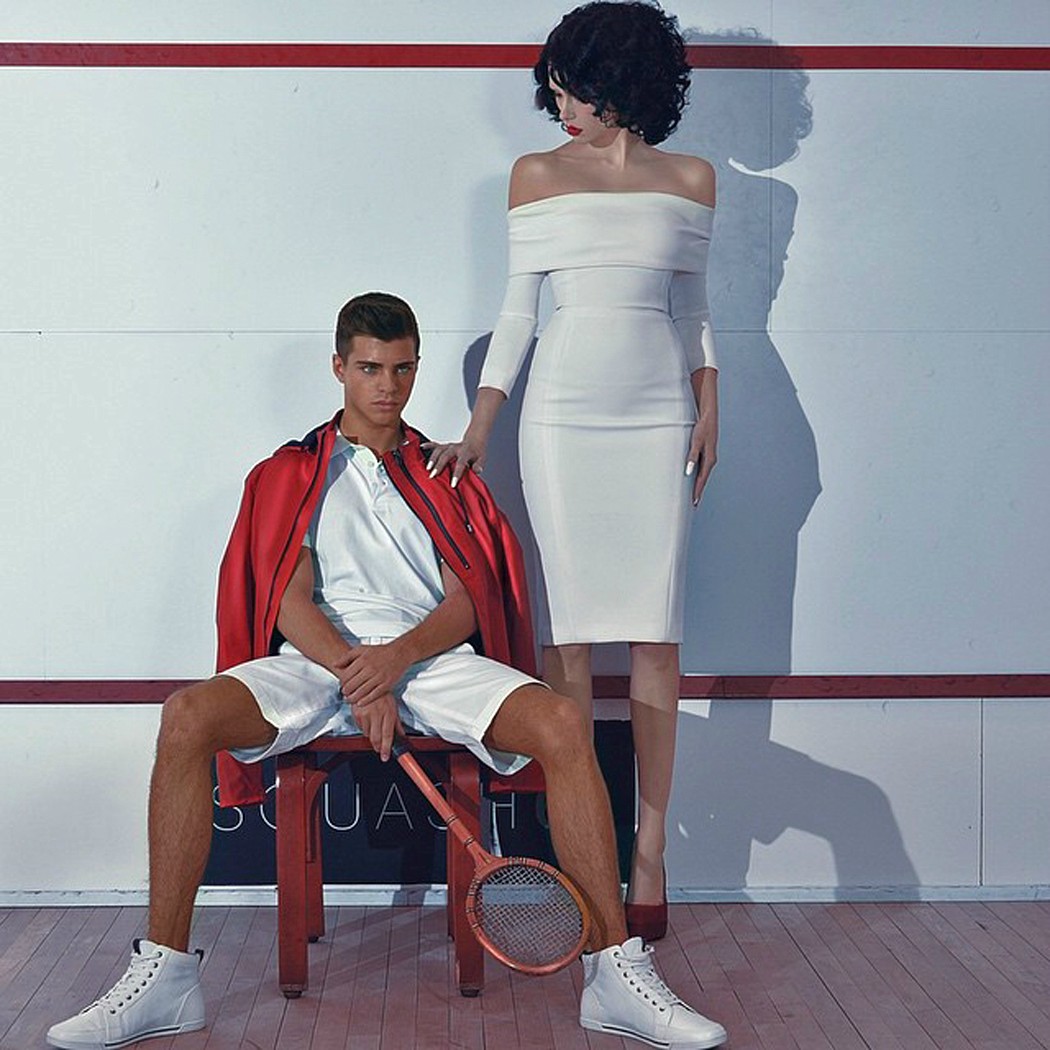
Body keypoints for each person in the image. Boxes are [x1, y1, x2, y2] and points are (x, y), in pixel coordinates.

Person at [47, 292, 726, 1050]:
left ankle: (612, 972)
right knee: (186, 716)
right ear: (339, 367)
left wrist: (394, 662)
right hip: (320, 661)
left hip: (429, 660)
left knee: (563, 722)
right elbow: (287, 598)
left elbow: (469, 600)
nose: (387, 386)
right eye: (370, 368)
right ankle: (167, 975)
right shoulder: (293, 471)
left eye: (402, 369)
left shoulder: (444, 470)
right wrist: (356, 675)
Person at [425, 1, 718, 943]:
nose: (559, 109)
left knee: (658, 637)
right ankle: (582, 855)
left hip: (659, 416)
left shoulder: (691, 179)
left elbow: (692, 312)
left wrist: (712, 402)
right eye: (553, 92)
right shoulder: (537, 175)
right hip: (560, 419)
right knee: (572, 641)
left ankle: (649, 855)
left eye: (571, 91)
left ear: (618, 84)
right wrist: (479, 427)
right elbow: (518, 314)